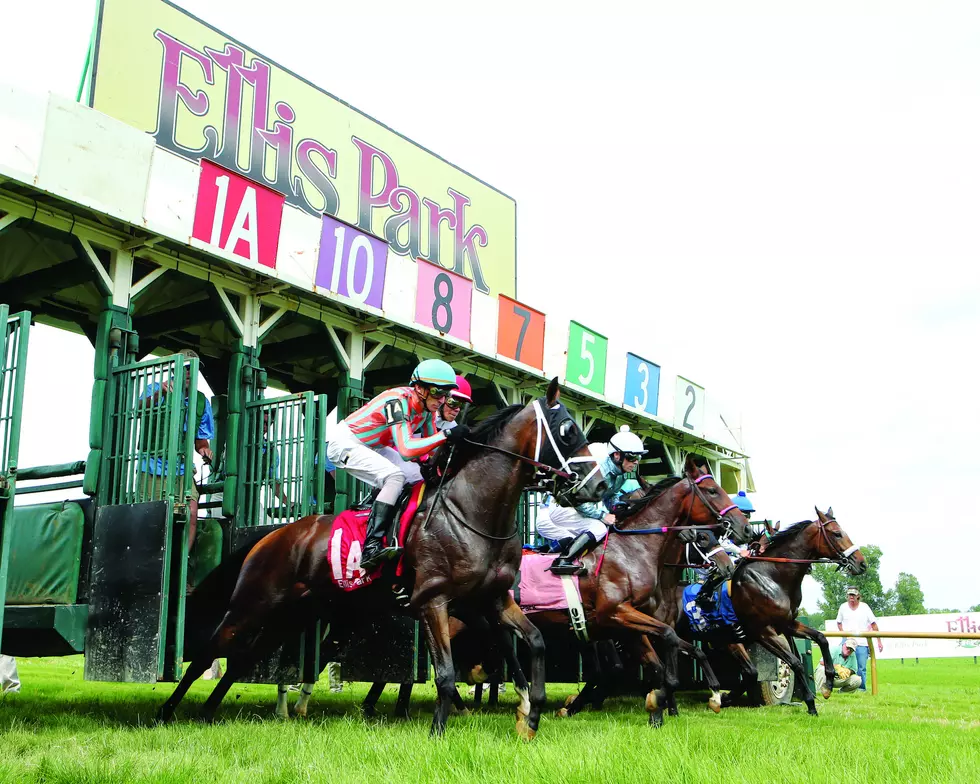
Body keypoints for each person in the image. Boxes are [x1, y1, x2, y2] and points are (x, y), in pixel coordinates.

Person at [326, 359, 469, 571]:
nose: (441, 400)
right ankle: (371, 546)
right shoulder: (397, 401)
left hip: (374, 445)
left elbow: (429, 452)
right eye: (438, 392)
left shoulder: (427, 411)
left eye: (445, 394)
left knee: (418, 478)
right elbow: (407, 449)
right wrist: (447, 434)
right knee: (394, 477)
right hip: (345, 443)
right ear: (419, 389)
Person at [139, 348, 214, 549]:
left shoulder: (201, 401)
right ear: (175, 368)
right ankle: (153, 564)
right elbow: (139, 410)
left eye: (193, 369)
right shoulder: (155, 388)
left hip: (181, 469)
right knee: (153, 518)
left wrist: (204, 451)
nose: (189, 372)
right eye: (186, 367)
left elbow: (201, 441)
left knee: (190, 514)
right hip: (151, 467)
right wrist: (158, 395)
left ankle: (181, 566)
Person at [548, 426, 647, 575]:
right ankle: (563, 561)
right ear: (617, 456)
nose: (636, 462)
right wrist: (602, 515)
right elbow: (579, 502)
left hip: (575, 509)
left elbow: (610, 497)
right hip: (564, 508)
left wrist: (617, 509)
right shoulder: (599, 471)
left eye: (638, 458)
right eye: (632, 457)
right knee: (599, 528)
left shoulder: (620, 475)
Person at [375, 374, 472, 484]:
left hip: (416, 460)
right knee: (417, 475)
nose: (457, 410)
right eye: (453, 403)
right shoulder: (423, 414)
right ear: (441, 398)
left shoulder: (452, 426)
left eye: (461, 405)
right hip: (393, 451)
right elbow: (407, 447)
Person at [695, 489, 753, 612]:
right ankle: (705, 594)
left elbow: (744, 549)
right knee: (729, 564)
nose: (747, 519)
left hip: (730, 559)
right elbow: (721, 543)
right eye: (744, 515)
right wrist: (739, 552)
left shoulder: (742, 531)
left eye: (748, 515)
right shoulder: (723, 527)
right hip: (712, 560)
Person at [836, 586, 883, 691]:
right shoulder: (843, 607)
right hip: (847, 642)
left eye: (853, 595)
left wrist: (879, 641)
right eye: (849, 595)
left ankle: (861, 689)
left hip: (862, 642)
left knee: (861, 667)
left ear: (858, 596)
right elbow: (839, 623)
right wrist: (844, 636)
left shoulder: (865, 607)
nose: (851, 597)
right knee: (844, 666)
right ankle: (845, 687)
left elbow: (874, 624)